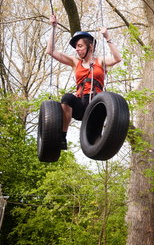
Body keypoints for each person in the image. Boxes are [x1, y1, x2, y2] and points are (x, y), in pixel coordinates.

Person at [46, 14, 122, 149]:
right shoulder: (75, 62)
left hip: (97, 104)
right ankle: (62, 137)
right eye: (76, 47)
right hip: (81, 103)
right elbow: (50, 51)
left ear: (90, 47)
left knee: (97, 132)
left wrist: (107, 37)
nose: (77, 49)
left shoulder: (100, 61)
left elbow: (117, 58)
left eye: (80, 46)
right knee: (67, 97)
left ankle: (100, 139)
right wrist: (53, 27)